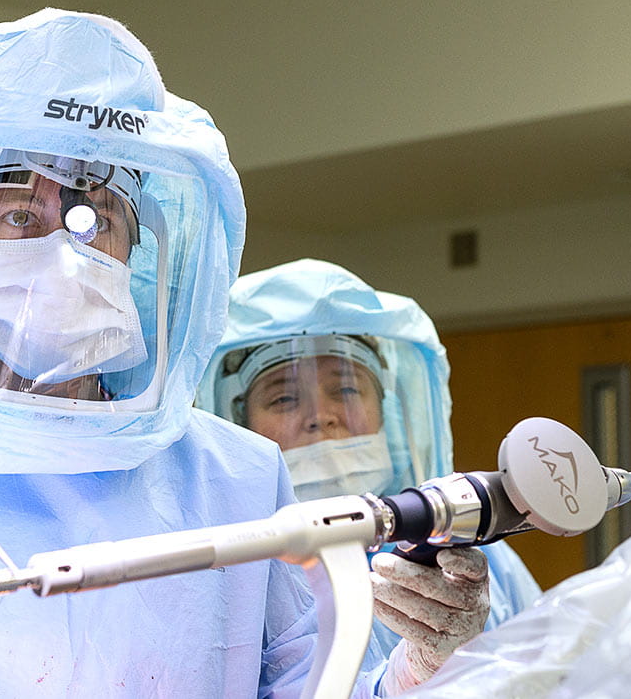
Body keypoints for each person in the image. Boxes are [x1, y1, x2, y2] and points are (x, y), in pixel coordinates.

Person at [0, 9, 468, 696]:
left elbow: (313, 686)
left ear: (136, 254)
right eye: (17, 213)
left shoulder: (233, 477)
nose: (63, 248)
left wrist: (414, 674)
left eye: (96, 215)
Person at [198, 259, 541, 688]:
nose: (320, 417)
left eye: (345, 389)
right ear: (236, 422)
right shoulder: (227, 577)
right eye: (284, 398)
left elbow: (556, 677)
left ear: (390, 411)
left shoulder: (474, 560)